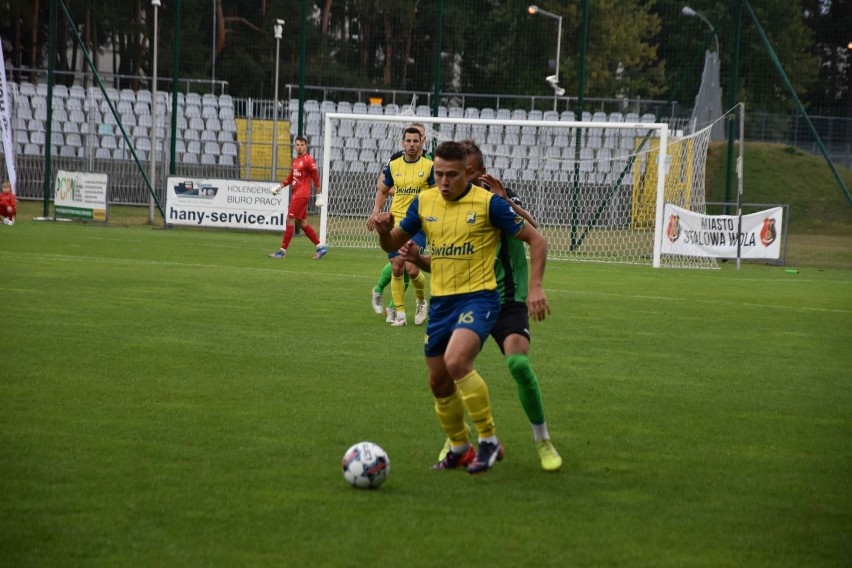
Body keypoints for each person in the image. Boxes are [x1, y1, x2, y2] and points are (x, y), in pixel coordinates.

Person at [374, 140, 551, 474]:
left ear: (466, 174)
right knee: (438, 381)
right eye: (438, 174)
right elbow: (394, 242)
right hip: (442, 302)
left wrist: (536, 286)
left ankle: (489, 440)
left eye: (451, 175)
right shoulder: (424, 201)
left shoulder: (488, 204)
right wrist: (385, 234)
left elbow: (536, 237)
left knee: (458, 362)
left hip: (480, 297)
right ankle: (459, 446)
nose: (443, 181)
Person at [367, 126, 432, 327]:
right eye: (408, 141)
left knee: (412, 269)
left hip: (418, 224)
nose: (412, 144)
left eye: (415, 141)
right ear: (402, 143)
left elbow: (437, 193)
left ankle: (421, 301)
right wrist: (376, 211)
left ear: (422, 142)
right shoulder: (394, 165)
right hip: (396, 223)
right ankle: (400, 314)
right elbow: (383, 189)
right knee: (397, 266)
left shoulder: (430, 166)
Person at [268, 136, 328, 260]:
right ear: (295, 146)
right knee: (302, 223)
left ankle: (282, 252)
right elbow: (291, 177)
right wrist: (279, 187)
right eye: (297, 144)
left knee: (289, 219)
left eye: (302, 144)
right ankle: (320, 247)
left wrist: (318, 196)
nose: (299, 147)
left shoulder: (309, 160)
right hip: (297, 194)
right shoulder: (295, 161)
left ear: (305, 146)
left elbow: (316, 178)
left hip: (302, 194)